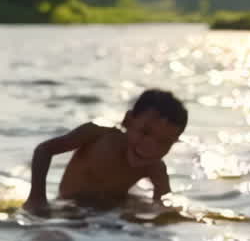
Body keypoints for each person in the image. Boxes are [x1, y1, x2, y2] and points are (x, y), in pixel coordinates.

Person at [23, 89, 188, 216]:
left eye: (164, 142)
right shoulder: (98, 134)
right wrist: (37, 198)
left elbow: (163, 205)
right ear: (128, 120)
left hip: (111, 213)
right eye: (145, 132)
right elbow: (44, 150)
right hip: (71, 206)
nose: (151, 147)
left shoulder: (156, 168)